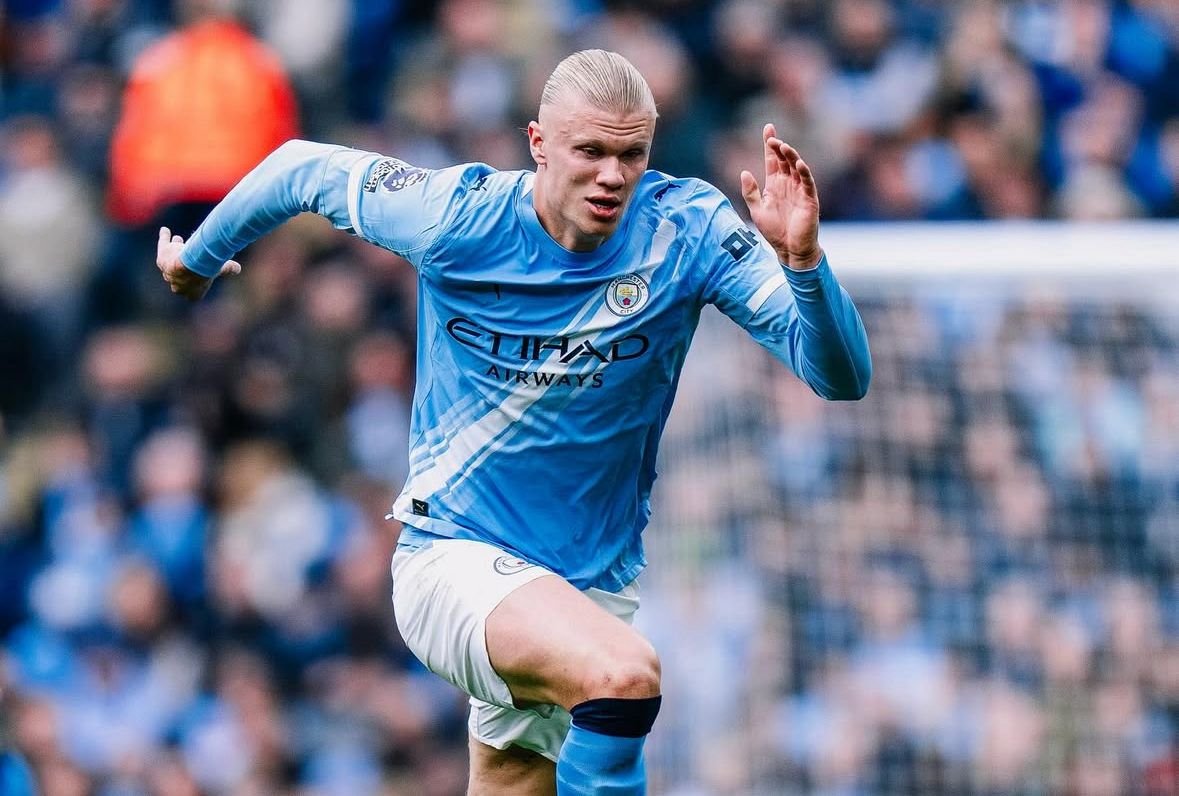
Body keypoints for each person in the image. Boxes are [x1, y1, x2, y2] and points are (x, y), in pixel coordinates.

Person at [156, 49, 871, 796]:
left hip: (582, 586)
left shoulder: (685, 233)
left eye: (631, 154)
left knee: (516, 779)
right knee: (622, 675)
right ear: (538, 144)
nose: (611, 175)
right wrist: (198, 262)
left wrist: (803, 263)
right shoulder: (457, 215)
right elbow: (301, 168)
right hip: (453, 558)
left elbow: (839, 376)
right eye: (589, 151)